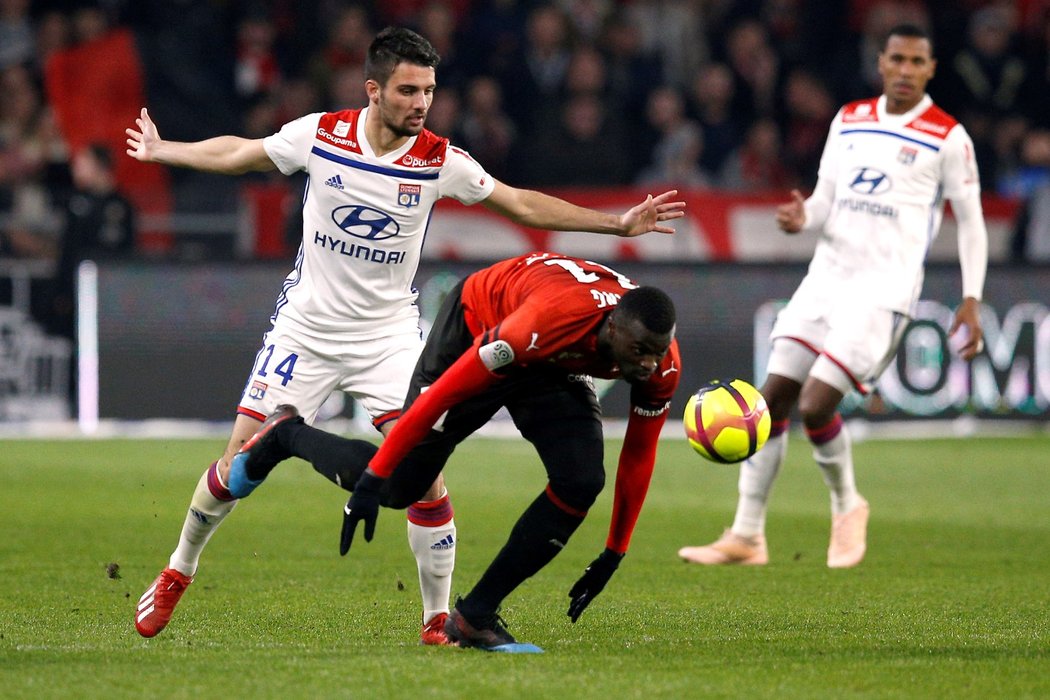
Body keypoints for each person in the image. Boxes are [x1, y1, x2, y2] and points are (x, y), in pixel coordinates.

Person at [125, 27, 686, 643]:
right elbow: (242, 154)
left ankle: (437, 619)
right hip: (304, 329)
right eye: (408, 90)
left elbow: (520, 205)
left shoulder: (439, 160)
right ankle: (179, 569)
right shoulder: (321, 135)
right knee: (236, 465)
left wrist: (617, 225)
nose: (422, 103)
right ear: (374, 90)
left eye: (430, 91)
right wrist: (164, 151)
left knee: (425, 479)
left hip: (389, 337)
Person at [679, 24, 988, 569]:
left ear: (931, 69)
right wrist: (803, 218)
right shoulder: (849, 120)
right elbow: (824, 202)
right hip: (826, 279)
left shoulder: (948, 136)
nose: (906, 70)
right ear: (882, 62)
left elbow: (970, 222)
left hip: (882, 291)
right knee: (771, 397)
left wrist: (971, 295)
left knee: (818, 402)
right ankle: (747, 535)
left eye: (918, 61)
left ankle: (848, 505)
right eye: (897, 59)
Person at [294, 251, 676, 650]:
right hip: (480, 325)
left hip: (549, 359)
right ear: (612, 328)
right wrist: (372, 479)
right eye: (640, 352)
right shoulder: (537, 326)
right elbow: (439, 396)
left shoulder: (662, 360)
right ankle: (288, 433)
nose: (650, 363)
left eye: (658, 351)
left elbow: (638, 453)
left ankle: (475, 616)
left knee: (580, 480)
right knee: (400, 487)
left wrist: (615, 551)